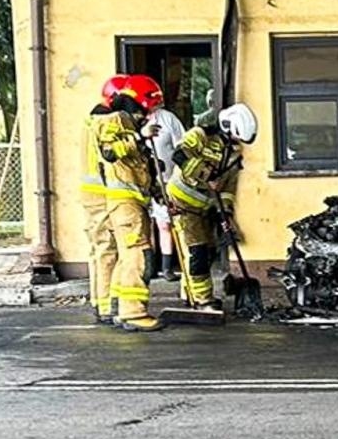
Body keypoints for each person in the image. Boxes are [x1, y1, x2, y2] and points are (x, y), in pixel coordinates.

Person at [165, 104, 258, 310]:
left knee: (207, 252)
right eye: (236, 137)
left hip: (204, 208)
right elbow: (179, 155)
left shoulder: (234, 156)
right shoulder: (200, 135)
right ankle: (203, 300)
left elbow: (228, 189)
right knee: (197, 251)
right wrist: (206, 175)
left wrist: (225, 214)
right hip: (182, 203)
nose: (237, 142)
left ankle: (190, 294)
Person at [92, 74, 165, 333]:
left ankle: (119, 309)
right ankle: (134, 312)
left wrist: (158, 192)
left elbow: (139, 166)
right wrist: (140, 138)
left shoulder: (129, 122)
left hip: (133, 201)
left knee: (127, 257)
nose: (152, 114)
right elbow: (110, 152)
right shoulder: (115, 120)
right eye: (152, 107)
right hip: (124, 203)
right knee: (139, 255)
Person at [80, 75, 129, 324]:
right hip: (101, 195)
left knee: (100, 250)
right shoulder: (106, 121)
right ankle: (106, 307)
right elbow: (112, 155)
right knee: (108, 250)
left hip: (94, 194)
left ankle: (100, 303)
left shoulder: (93, 120)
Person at [147, 102, 186, 282]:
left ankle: (167, 267)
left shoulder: (168, 119)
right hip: (144, 183)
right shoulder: (131, 121)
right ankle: (149, 266)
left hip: (168, 180)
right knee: (145, 225)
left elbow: (182, 145)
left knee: (166, 224)